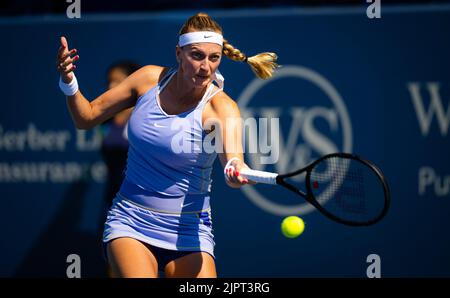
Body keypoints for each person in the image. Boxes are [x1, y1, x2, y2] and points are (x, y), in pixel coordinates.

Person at [56, 12, 278, 278]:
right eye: (196, 55)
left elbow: (233, 161)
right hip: (131, 221)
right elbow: (86, 117)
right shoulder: (148, 79)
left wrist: (235, 170)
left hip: (190, 230)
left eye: (213, 58)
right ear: (179, 53)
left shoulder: (222, 108)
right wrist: (69, 82)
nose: (205, 66)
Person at [100, 61, 140, 209]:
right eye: (110, 81)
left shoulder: (144, 116)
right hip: (112, 199)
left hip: (140, 201)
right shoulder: (105, 120)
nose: (111, 86)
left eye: (117, 81)